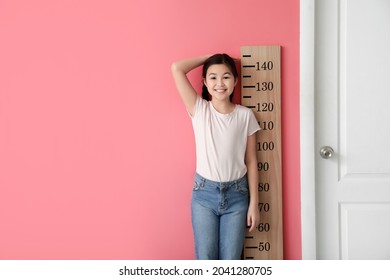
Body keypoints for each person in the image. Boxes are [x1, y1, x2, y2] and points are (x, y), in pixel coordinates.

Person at [171, 53, 260, 260]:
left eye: (226, 77)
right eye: (213, 77)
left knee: (231, 261)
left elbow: (252, 162)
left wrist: (254, 204)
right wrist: (210, 58)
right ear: (205, 82)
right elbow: (177, 67)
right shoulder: (199, 109)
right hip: (204, 195)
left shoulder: (245, 115)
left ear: (236, 81)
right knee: (206, 258)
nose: (220, 83)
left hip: (238, 196)